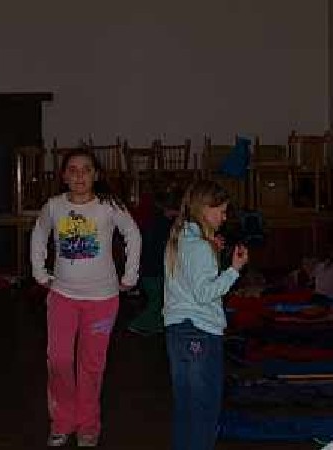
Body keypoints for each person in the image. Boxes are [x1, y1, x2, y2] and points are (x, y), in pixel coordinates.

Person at [30, 148, 141, 447]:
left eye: (86, 169)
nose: (79, 175)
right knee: (60, 360)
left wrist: (130, 276)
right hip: (62, 298)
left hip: (102, 301)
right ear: (64, 176)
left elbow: (132, 234)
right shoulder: (54, 206)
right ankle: (62, 421)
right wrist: (39, 272)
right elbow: (39, 234)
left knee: (91, 365)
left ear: (96, 175)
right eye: (73, 170)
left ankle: (88, 424)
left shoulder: (109, 206)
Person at [164, 180, 248, 450]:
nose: (224, 218)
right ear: (204, 209)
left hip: (179, 331)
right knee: (205, 408)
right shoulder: (199, 247)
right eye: (221, 211)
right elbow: (204, 293)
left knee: (186, 407)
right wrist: (234, 270)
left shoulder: (182, 238)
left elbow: (192, 276)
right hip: (199, 331)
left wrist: (211, 249)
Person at [128, 186, 181, 336]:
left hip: (150, 270)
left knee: (158, 301)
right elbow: (160, 250)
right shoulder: (163, 225)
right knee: (157, 301)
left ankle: (155, 325)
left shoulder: (158, 222)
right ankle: (138, 324)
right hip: (153, 271)